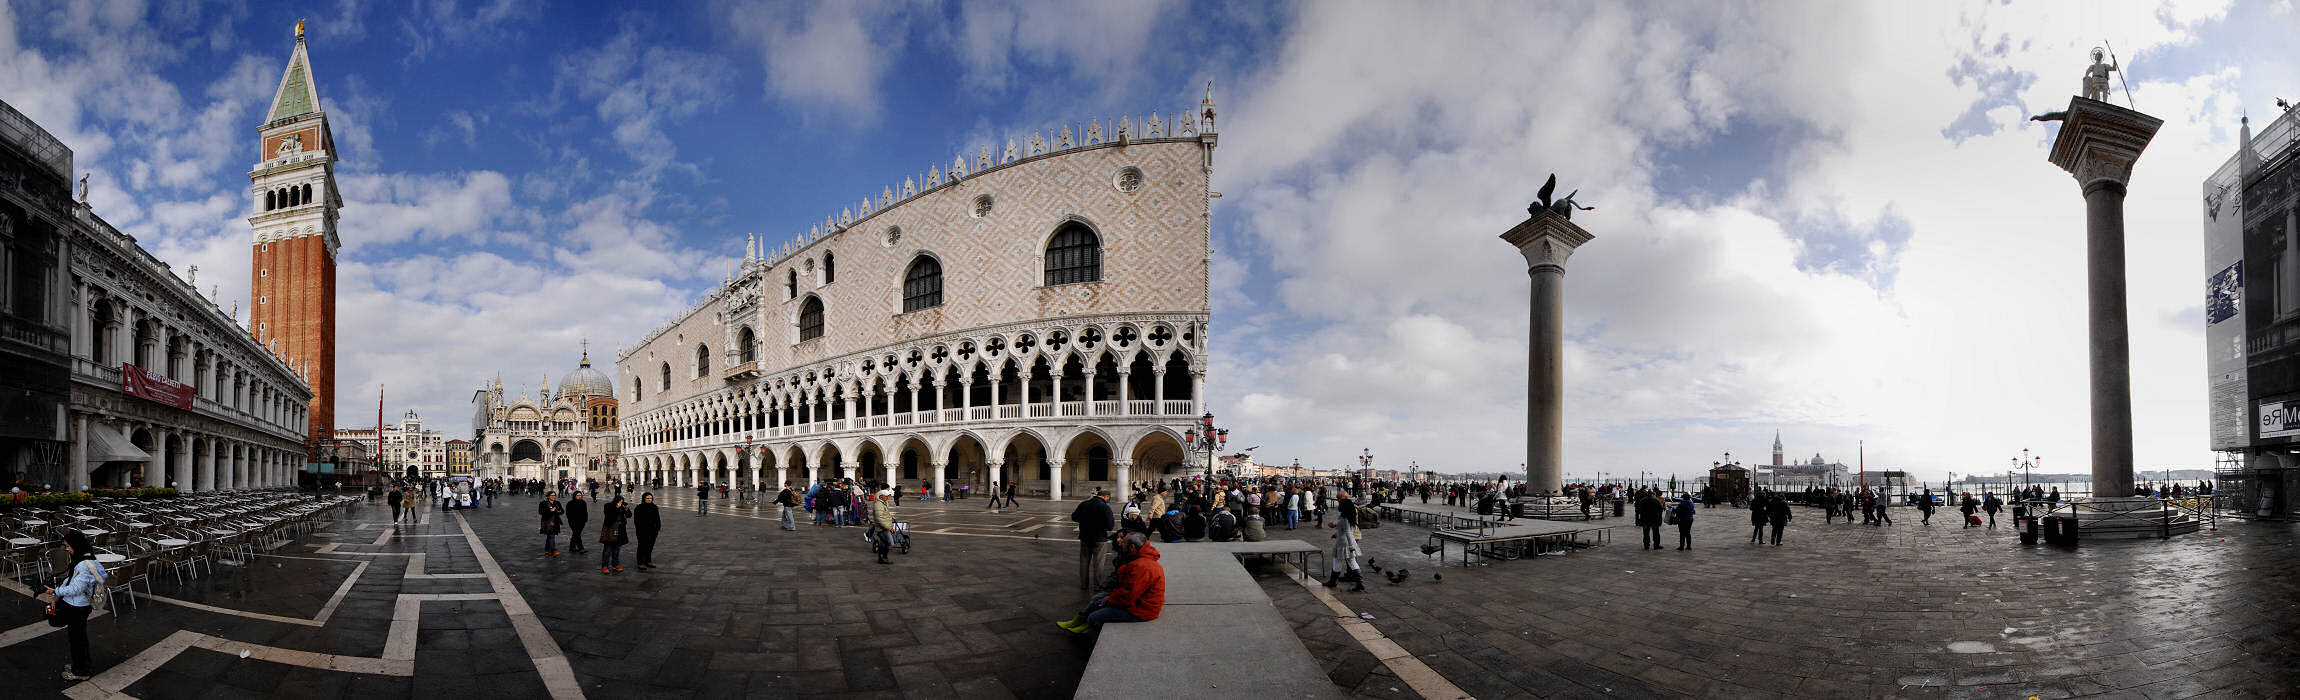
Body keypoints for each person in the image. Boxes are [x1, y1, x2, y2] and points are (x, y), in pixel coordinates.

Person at [1055, 532, 1163, 635]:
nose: (1120, 542)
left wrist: (1109, 600)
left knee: (1094, 617)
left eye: (1124, 542)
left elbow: (1128, 595)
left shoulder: (1143, 567)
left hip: (1142, 610)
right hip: (1136, 601)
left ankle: (1089, 626)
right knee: (1096, 599)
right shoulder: (1138, 557)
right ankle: (1078, 621)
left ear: (1132, 547)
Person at [45, 530, 104, 681]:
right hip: (79, 605)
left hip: (78, 607)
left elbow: (76, 588)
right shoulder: (86, 558)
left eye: (68, 546)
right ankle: (80, 665)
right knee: (79, 638)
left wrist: (55, 591)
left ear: (76, 545)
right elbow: (74, 580)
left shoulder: (84, 565)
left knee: (77, 640)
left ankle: (81, 671)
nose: (66, 549)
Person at [1070, 488, 1114, 590]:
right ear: (1105, 497)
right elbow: (1110, 525)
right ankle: (1097, 585)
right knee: (1098, 562)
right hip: (1100, 538)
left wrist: (1084, 521)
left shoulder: (1084, 504)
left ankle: (1084, 584)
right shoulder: (1105, 507)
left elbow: (1074, 517)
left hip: (1085, 537)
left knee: (1084, 561)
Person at [1328, 492, 1365, 592]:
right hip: (1347, 542)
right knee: (1352, 562)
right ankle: (1360, 583)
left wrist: (1351, 546)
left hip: (1344, 544)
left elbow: (1348, 532)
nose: (1338, 505)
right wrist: (1336, 533)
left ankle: (1332, 581)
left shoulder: (1344, 518)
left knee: (1337, 560)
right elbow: (1346, 530)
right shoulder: (1348, 516)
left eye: (1340, 504)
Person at [599, 496, 629, 574]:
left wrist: (626, 509)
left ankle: (615, 564)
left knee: (617, 549)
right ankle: (605, 566)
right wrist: (617, 508)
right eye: (619, 501)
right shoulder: (608, 506)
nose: (620, 503)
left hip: (620, 530)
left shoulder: (622, 507)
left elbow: (629, 515)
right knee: (607, 549)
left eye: (621, 502)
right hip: (610, 529)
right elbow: (610, 517)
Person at [868, 487, 897, 565]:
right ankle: (883, 557)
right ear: (881, 496)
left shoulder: (882, 503)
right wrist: (887, 527)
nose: (887, 497)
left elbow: (882, 514)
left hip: (884, 526)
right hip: (883, 528)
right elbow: (879, 517)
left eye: (888, 496)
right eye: (886, 496)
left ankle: (882, 558)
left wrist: (890, 517)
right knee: (890, 543)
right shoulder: (879, 504)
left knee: (883, 543)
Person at [634, 492, 660, 570]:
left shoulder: (654, 507)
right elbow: (637, 521)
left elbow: (657, 519)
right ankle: (640, 562)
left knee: (650, 546)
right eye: (648, 498)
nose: (649, 500)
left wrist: (657, 528)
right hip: (642, 531)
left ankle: (648, 561)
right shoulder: (639, 508)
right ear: (644, 499)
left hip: (652, 531)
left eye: (651, 498)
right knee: (642, 546)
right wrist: (639, 529)